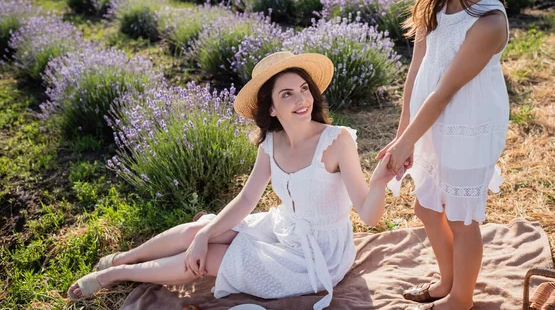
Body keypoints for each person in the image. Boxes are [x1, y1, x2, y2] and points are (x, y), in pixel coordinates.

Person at [68, 51, 398, 310]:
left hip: (316, 255)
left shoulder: (337, 140)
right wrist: (207, 233)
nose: (302, 100)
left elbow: (370, 217)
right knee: (198, 234)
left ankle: (115, 274)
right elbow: (245, 199)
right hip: (282, 227)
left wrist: (380, 180)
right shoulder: (271, 144)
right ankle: (126, 256)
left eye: (304, 89)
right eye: (287, 95)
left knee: (206, 259)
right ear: (270, 109)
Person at [377, 0, 510, 309]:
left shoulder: (488, 21)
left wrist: (406, 143)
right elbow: (416, 77)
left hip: (466, 127)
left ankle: (461, 300)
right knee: (425, 206)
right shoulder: (432, 5)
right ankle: (448, 281)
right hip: (430, 124)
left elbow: (445, 92)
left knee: (461, 219)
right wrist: (403, 138)